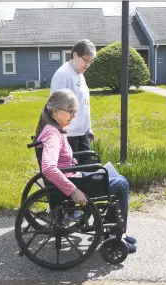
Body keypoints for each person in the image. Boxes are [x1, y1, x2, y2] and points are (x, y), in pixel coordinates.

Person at [35, 89, 137, 253]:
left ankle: (115, 232)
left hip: (73, 175)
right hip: (72, 182)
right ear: (55, 111)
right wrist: (73, 191)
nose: (73, 116)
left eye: (74, 111)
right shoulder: (52, 134)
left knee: (115, 177)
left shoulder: (52, 129)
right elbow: (48, 168)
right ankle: (118, 235)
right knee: (122, 184)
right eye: (70, 111)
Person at [50, 39, 96, 164]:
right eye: (85, 60)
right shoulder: (63, 75)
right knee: (74, 174)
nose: (87, 65)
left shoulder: (80, 75)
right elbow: (56, 106)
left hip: (81, 133)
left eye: (90, 62)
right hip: (68, 135)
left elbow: (84, 103)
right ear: (75, 55)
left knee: (89, 171)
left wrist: (88, 128)